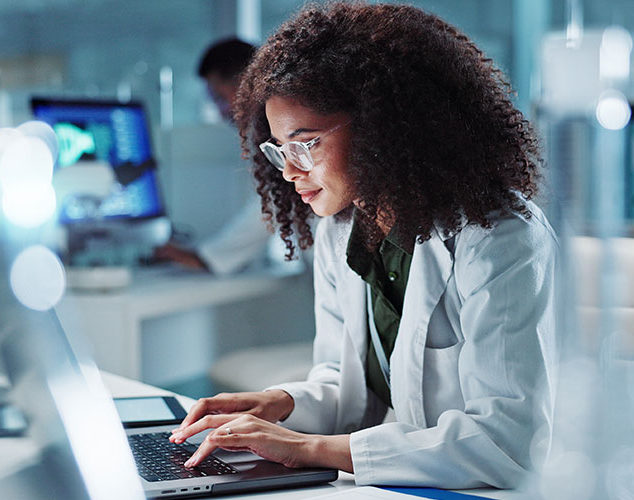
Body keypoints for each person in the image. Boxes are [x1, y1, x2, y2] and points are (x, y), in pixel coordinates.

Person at [169, 2, 558, 490]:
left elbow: (505, 443)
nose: (288, 172)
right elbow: (348, 388)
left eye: (304, 143)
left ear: (383, 126)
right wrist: (281, 403)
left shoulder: (498, 236)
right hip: (397, 483)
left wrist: (306, 449)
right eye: (278, 148)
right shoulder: (342, 228)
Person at [153, 38, 278, 275]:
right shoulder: (265, 130)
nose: (221, 113)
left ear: (247, 83)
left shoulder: (277, 128)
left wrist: (208, 257)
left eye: (221, 98)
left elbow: (271, 202)